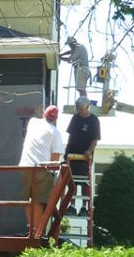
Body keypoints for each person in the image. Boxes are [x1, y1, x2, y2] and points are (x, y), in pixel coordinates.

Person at [18, 104, 64, 235]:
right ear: (56, 118)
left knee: (29, 198)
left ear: (44, 115)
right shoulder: (55, 132)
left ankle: (30, 228)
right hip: (42, 168)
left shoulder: (32, 123)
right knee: (39, 199)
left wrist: (38, 111)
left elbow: (36, 116)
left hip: (26, 166)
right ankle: (36, 232)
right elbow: (55, 157)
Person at [65, 96, 100, 215]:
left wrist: (89, 151)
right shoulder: (75, 118)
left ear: (87, 107)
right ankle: (72, 206)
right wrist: (67, 153)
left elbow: (95, 139)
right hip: (73, 155)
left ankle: (84, 208)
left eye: (82, 109)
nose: (80, 111)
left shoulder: (94, 120)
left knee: (85, 182)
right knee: (72, 182)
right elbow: (70, 136)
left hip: (85, 158)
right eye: (78, 108)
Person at [60, 35, 91, 99]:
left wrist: (60, 57)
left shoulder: (78, 48)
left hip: (81, 70)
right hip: (83, 70)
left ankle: (84, 102)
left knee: (81, 88)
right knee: (80, 88)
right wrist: (61, 54)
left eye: (69, 45)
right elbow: (69, 52)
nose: (69, 46)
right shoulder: (78, 47)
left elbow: (69, 59)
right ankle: (83, 101)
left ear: (72, 44)